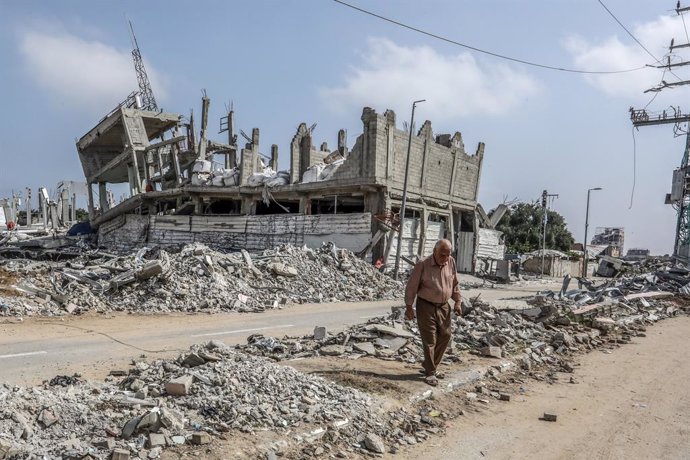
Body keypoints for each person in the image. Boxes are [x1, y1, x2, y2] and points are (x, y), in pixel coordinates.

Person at [404, 239, 461, 386]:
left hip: (443, 306)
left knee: (446, 335)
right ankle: (430, 373)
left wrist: (458, 301)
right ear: (434, 251)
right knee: (430, 339)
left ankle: (431, 366)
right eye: (442, 254)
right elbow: (411, 286)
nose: (446, 258)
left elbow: (454, 284)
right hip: (426, 305)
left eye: (448, 254)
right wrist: (409, 307)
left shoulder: (451, 262)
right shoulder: (423, 264)